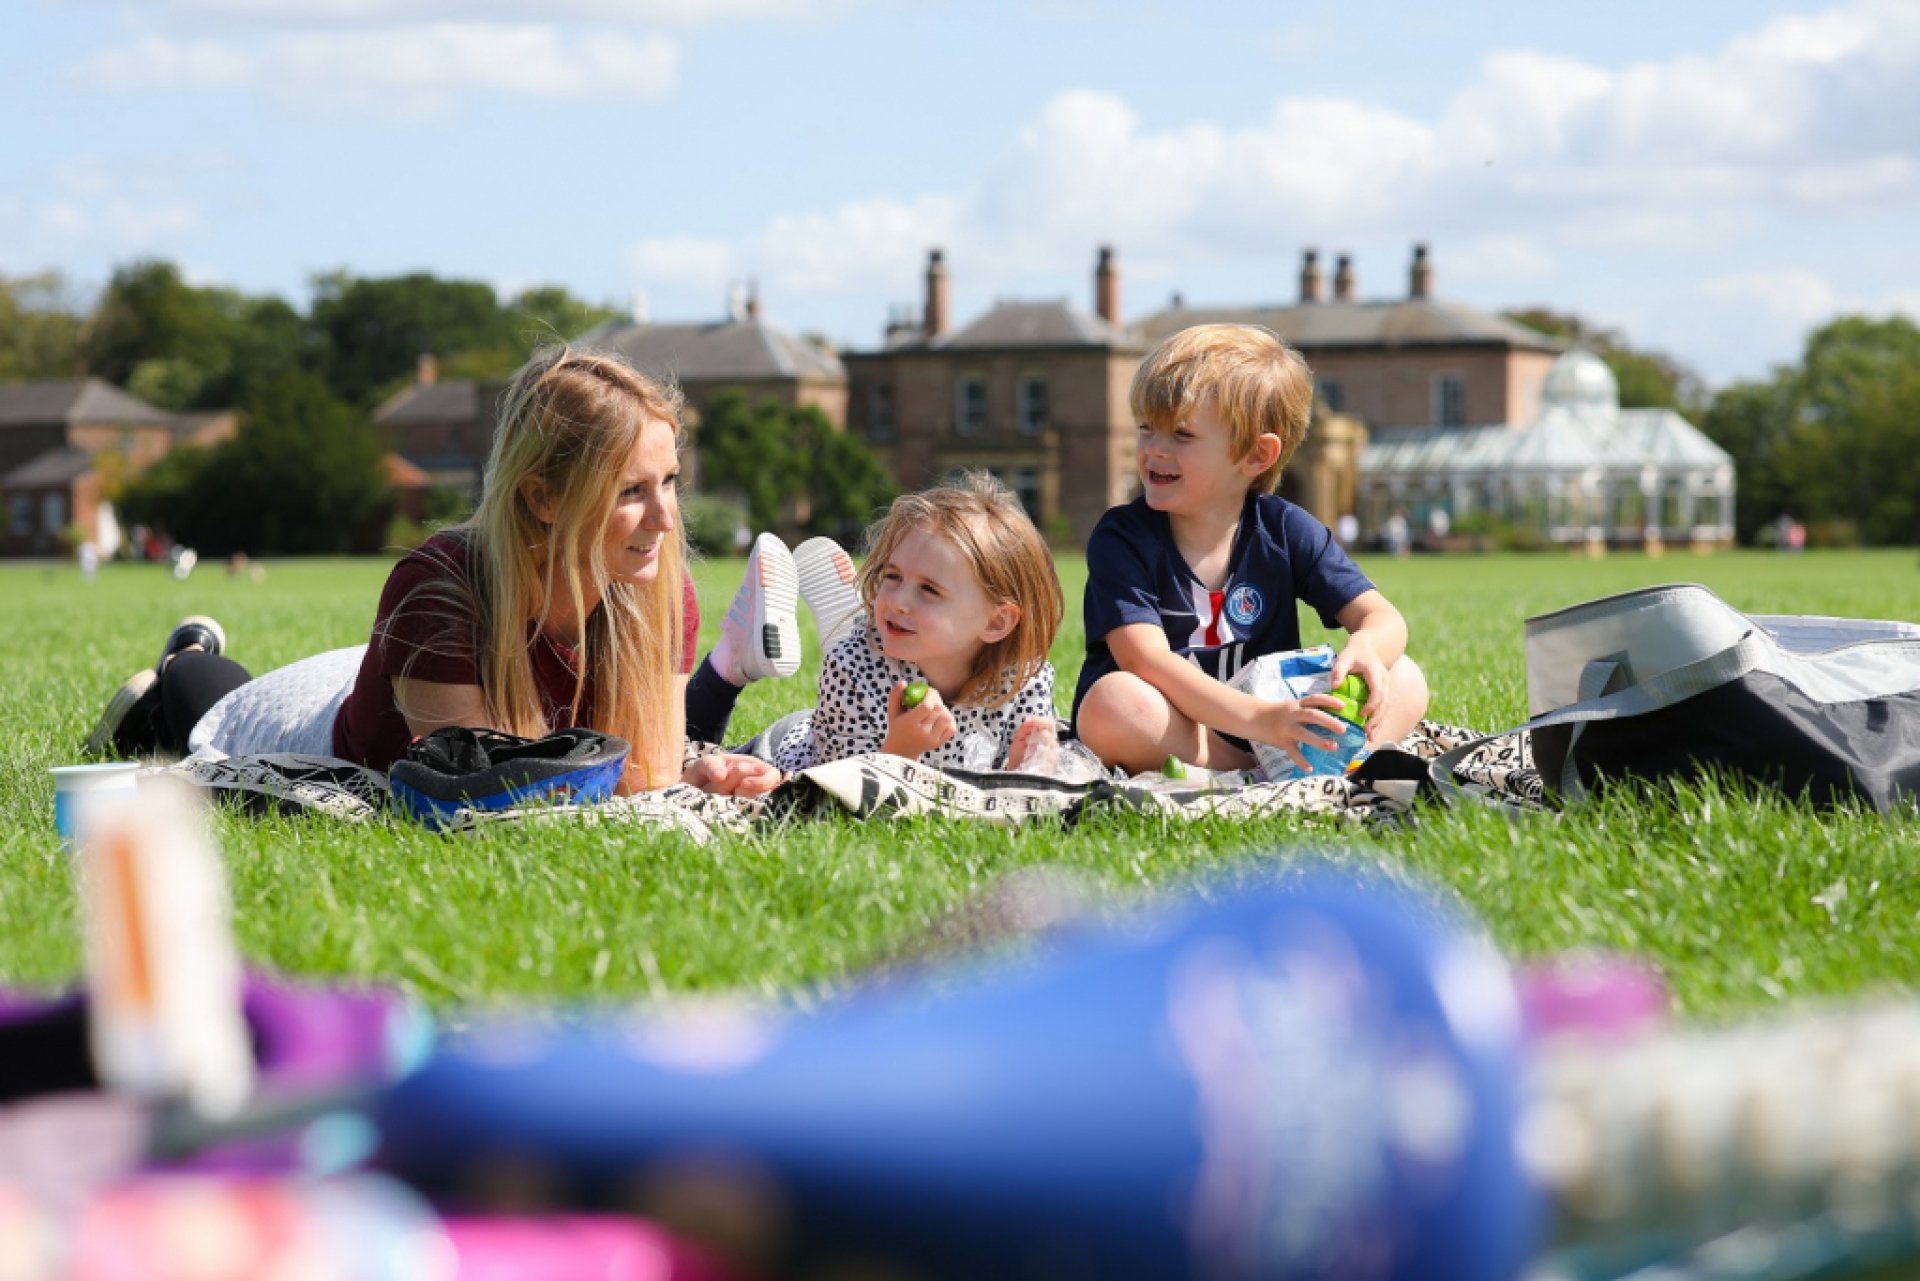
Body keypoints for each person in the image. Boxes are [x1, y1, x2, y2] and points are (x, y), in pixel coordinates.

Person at [85, 347, 782, 798]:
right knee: (208, 696)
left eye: (669, 482)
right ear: (542, 497)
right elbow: (486, 799)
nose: (665, 518)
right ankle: (180, 667)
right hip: (324, 727)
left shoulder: (658, 591)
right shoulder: (438, 592)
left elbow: (648, 780)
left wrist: (698, 776)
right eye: (631, 491)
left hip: (399, 672)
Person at [1072, 324, 1429, 778]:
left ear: (1256, 456)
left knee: (1405, 677)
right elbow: (1145, 660)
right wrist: (1262, 722)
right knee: (1114, 704)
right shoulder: (1122, 537)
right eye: (1146, 429)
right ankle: (1264, 771)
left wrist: (1366, 647)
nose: (1153, 450)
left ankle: (1307, 759)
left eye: (1181, 434)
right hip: (1188, 731)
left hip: (1279, 717)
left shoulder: (1285, 528)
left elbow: (1382, 617)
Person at [758, 472, 1066, 774]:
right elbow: (842, 789)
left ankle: (860, 617)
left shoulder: (1025, 680)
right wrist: (900, 751)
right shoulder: (851, 667)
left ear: (996, 622)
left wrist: (1024, 769)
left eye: (929, 589)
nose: (897, 601)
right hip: (806, 749)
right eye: (892, 576)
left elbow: (1024, 790)